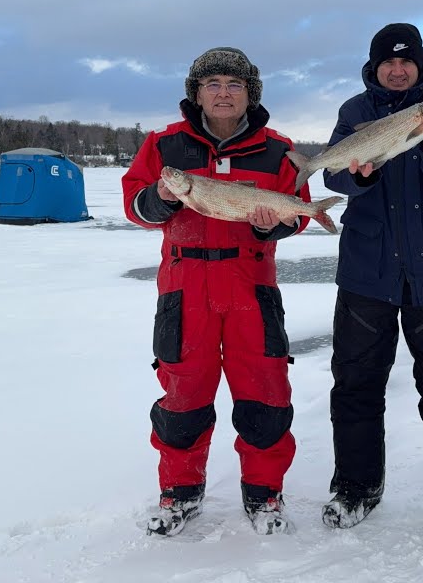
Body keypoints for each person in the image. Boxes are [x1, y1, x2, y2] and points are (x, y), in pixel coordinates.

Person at [122, 47, 308, 537]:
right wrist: (158, 199)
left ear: (250, 93)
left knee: (265, 392)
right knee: (183, 393)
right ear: (196, 93)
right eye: (213, 84)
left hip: (252, 285)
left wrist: (273, 227)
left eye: (234, 84)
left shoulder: (278, 148)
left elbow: (298, 212)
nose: (223, 93)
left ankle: (264, 493)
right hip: (186, 287)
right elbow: (134, 205)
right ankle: (179, 492)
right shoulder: (164, 145)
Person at [320, 23, 423, 548]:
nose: (398, 70)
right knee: (356, 386)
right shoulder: (355, 112)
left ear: (421, 65)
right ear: (375, 67)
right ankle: (356, 487)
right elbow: (332, 177)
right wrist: (360, 174)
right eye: (388, 63)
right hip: (366, 272)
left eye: (407, 62)